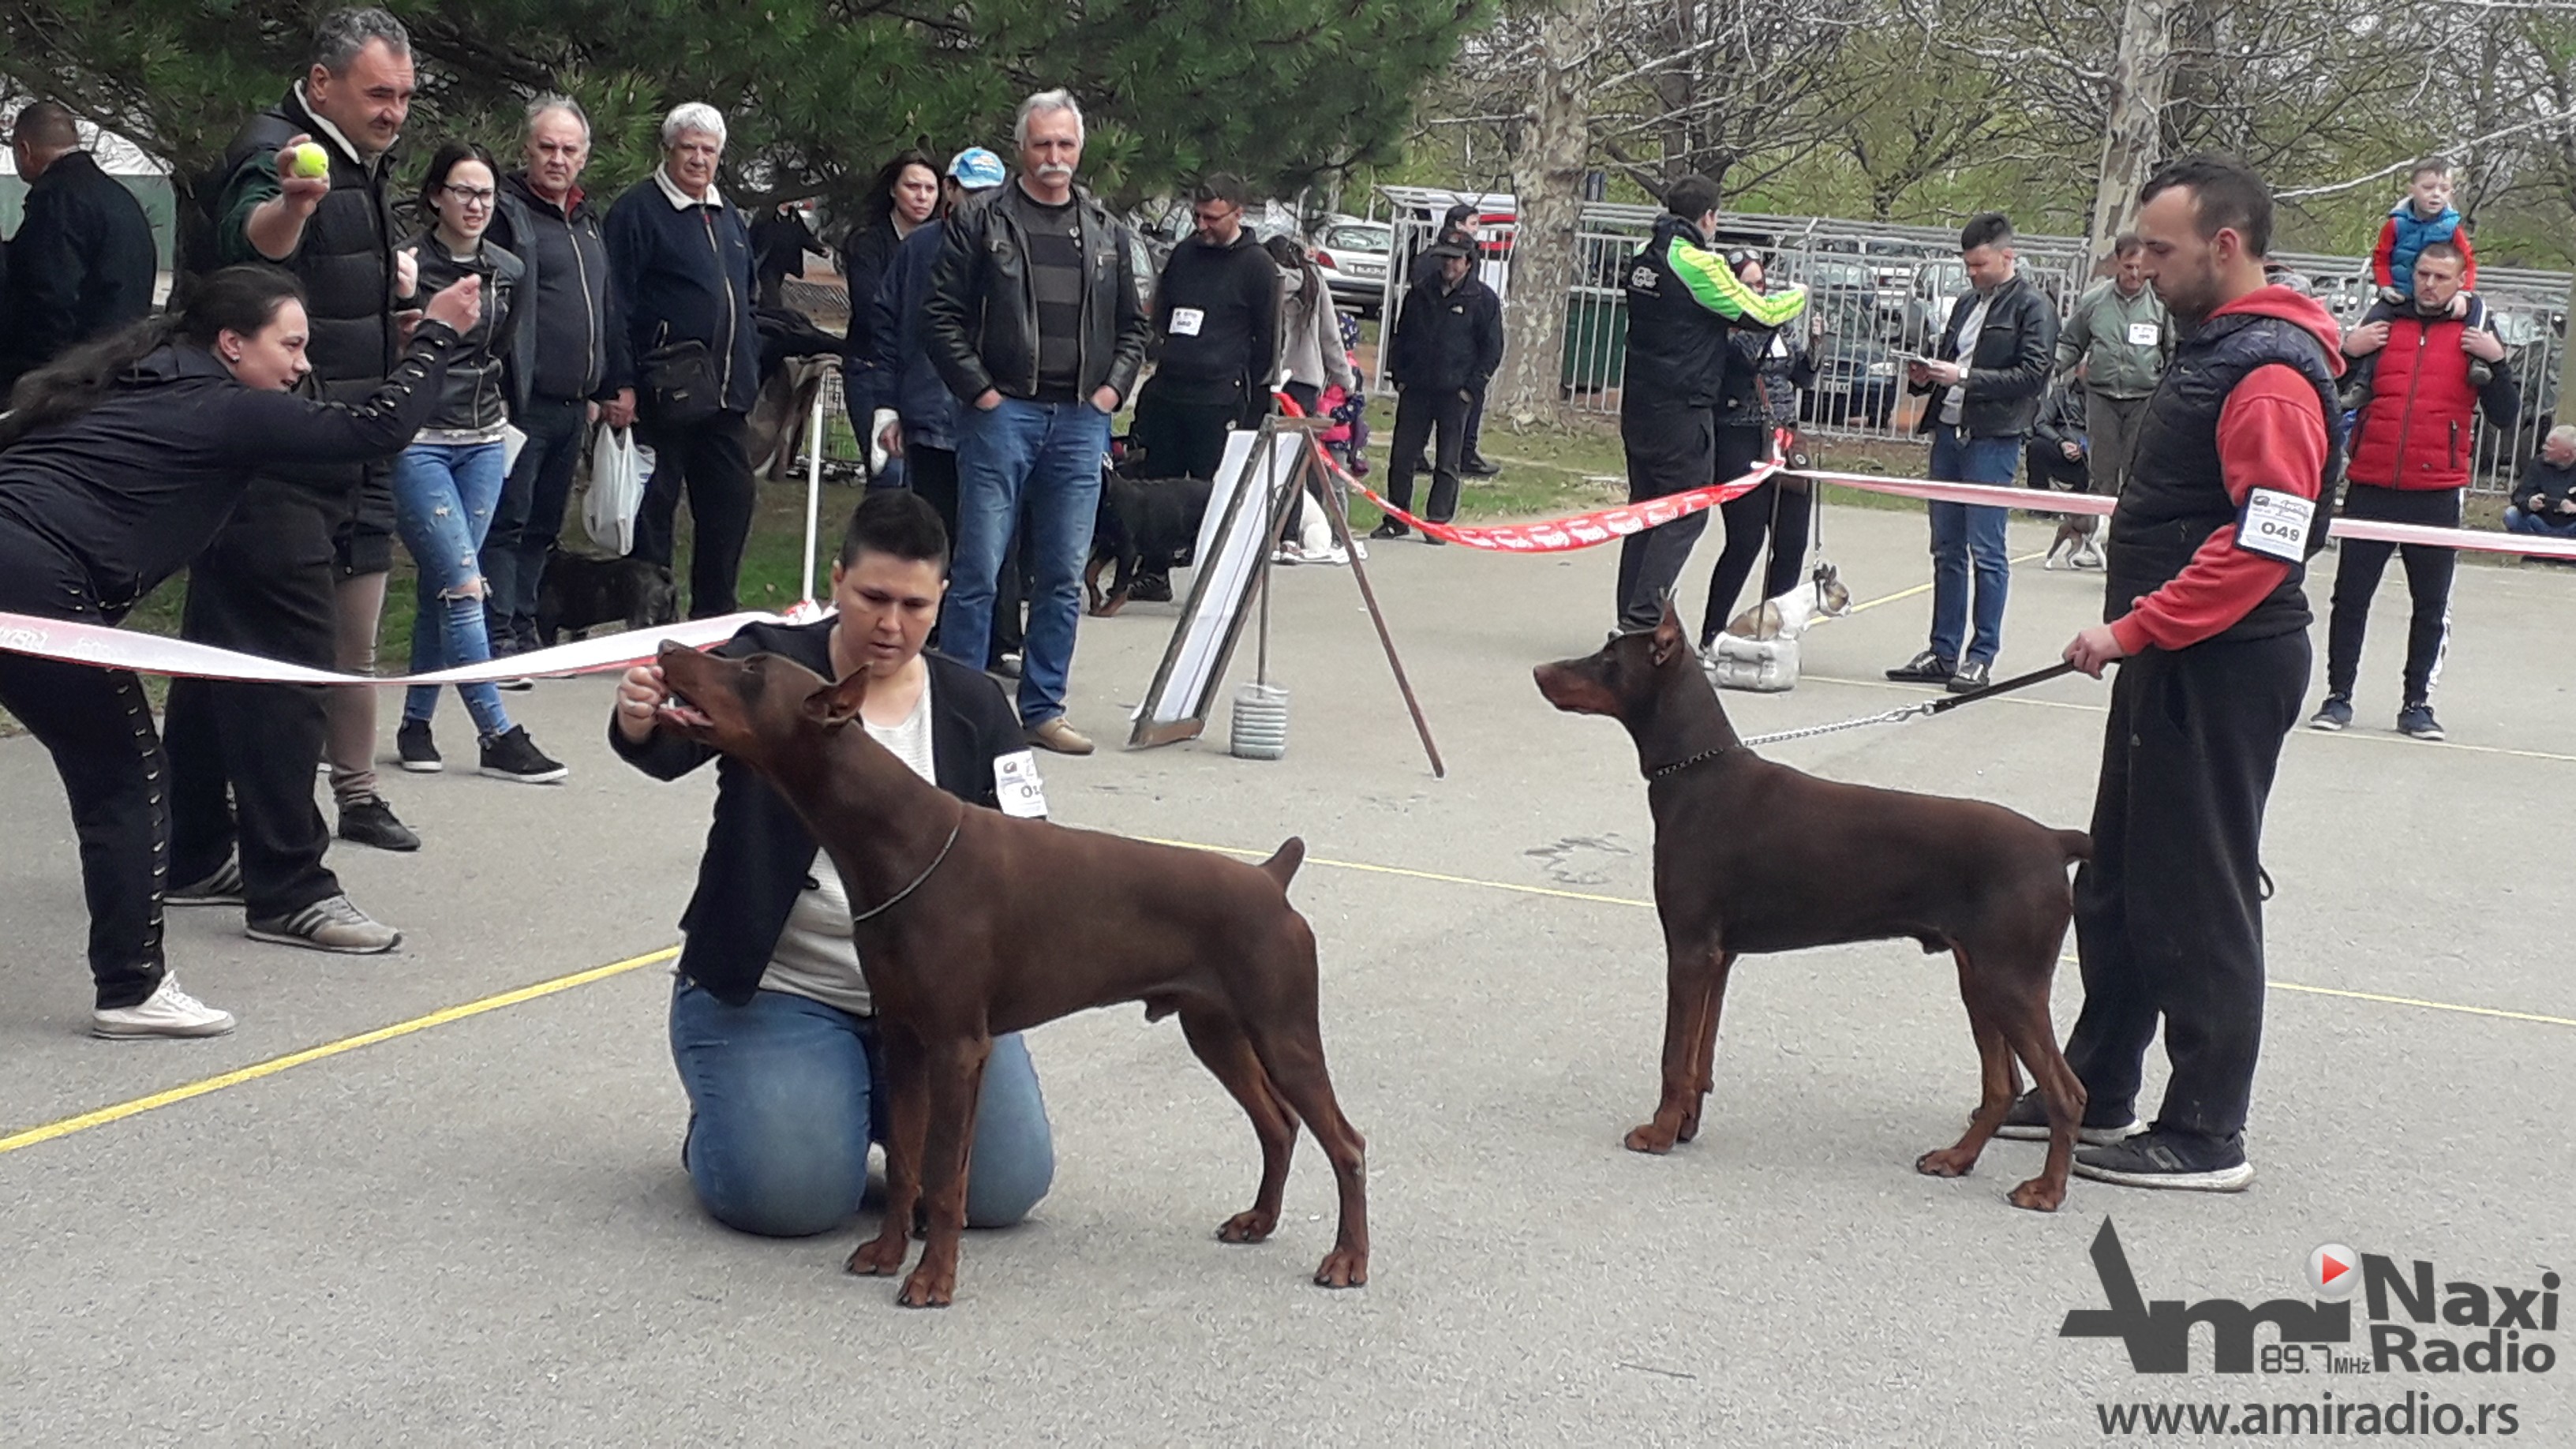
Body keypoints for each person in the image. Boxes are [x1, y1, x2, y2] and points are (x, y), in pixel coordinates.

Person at [0, 266, 476, 1037]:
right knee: (123, 780)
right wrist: (439, 337)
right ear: (231, 345)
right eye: (288, 346)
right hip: (39, 596)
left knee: (118, 771)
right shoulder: (227, 410)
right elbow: (374, 432)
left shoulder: (110, 382)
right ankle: (132, 989)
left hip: (26, 583)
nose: (301, 365)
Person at [610, 490, 1056, 1237]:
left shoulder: (976, 705)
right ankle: (746, 1122)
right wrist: (637, 719)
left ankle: (858, 1110)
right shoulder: (773, 667)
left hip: (933, 1004)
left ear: (943, 597)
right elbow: (669, 742)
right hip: (779, 989)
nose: (891, 624)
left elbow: (1031, 856)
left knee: (1004, 1194)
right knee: (791, 1199)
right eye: (873, 597)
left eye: (915, 605)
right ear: (836, 578)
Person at [2049, 153, 2345, 1192]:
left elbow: (2267, 541)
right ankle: (2090, 1087)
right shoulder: (2213, 349)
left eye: (2161, 249)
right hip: (2175, 657)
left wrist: (2138, 629)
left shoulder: (2267, 372)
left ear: (2226, 246)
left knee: (2199, 890)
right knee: (2121, 879)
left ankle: (2207, 1130)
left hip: (2224, 665)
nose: (2143, 264)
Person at [169, 7, 419, 935]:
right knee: (290, 670)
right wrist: (295, 205)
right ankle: (291, 889)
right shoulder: (277, 156)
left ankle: (193, 853)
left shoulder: (359, 160)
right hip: (268, 447)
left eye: (403, 96)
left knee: (211, 662)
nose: (394, 112)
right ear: (322, 84)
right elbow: (253, 240)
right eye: (377, 93)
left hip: (321, 440)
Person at [923, 88, 1151, 756]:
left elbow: (1135, 327)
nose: (1054, 157)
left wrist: (1112, 391)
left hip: (1081, 419)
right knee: (980, 567)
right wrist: (981, 394)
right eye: (1042, 144)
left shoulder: (1107, 230)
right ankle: (960, 709)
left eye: (1066, 145)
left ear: (1081, 150)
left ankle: (1043, 708)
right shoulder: (981, 222)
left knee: (1060, 573)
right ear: (1021, 147)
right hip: (1002, 415)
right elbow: (939, 316)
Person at [386, 142, 567, 784]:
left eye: (486, 194)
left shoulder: (509, 270)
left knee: (449, 582)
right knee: (466, 585)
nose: (475, 205)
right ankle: (498, 733)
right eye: (462, 191)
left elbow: (507, 350)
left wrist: (512, 424)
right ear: (436, 195)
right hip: (421, 440)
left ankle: (415, 722)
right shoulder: (405, 263)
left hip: (486, 438)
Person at [2312, 240, 2514, 743]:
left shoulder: (2475, 335)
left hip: (2436, 491)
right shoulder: (2383, 326)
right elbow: (2327, 395)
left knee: (2430, 605)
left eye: (2441, 277)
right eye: (2423, 274)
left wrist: (2501, 361)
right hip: (2372, 483)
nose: (2429, 284)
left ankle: (2417, 704)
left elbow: (2507, 416)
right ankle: (2338, 697)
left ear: (2461, 281)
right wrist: (2346, 351)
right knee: (2350, 599)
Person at [1607, 178, 1805, 628]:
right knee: (1684, 514)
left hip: (1640, 403)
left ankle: (1629, 619)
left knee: (1646, 511)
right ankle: (1642, 620)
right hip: (1684, 407)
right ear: (1710, 216)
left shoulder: (1643, 256)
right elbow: (1762, 314)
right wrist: (1799, 296)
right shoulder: (1699, 263)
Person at [857, 148, 1025, 670]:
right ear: (951, 189)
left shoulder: (1017, 246)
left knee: (1001, 532)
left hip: (1000, 416)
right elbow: (885, 330)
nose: (978, 201)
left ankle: (1003, 639)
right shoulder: (920, 249)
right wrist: (888, 405)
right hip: (931, 416)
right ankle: (940, 638)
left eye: (989, 192)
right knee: (939, 532)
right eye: (969, 190)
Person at [482, 95, 635, 665]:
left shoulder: (588, 221)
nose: (557, 158)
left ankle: (525, 622)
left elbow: (606, 306)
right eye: (547, 147)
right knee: (509, 519)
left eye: (569, 149)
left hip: (577, 405)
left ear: (584, 156)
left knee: (545, 524)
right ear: (527, 149)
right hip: (522, 400)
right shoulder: (509, 214)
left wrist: (612, 383)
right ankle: (497, 629)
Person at [1889, 212, 2057, 694]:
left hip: (1993, 436)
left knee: (1986, 549)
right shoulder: (1966, 303)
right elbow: (1952, 357)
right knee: (1946, 548)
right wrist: (1926, 378)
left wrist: (1964, 378)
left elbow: (2032, 375)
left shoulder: (2034, 306)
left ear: (2008, 256)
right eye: (1967, 266)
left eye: (1980, 264)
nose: (1973, 274)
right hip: (1949, 430)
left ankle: (1981, 654)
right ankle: (1942, 650)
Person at [605, 102, 761, 619]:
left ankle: (713, 625)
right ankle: (650, 621)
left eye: (709, 151)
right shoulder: (637, 211)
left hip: (724, 398)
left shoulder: (729, 215)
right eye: (689, 148)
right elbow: (617, 303)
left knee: (729, 511)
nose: (698, 160)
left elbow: (747, 298)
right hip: (661, 395)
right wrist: (621, 382)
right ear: (669, 150)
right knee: (653, 514)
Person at [1699, 251, 1822, 646]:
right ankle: (1713, 632)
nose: (1758, 293)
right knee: (1746, 539)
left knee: (1790, 543)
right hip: (1741, 434)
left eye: (1762, 286)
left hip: (1786, 435)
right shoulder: (1728, 326)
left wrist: (1815, 346)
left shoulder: (1780, 325)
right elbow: (1746, 360)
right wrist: (1768, 315)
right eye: (1749, 286)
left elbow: (1800, 375)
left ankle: (1773, 631)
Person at [1131, 173, 1282, 485]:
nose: (1202, 226)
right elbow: (1161, 312)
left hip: (1219, 400)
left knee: (1212, 491)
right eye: (1196, 216)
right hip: (1170, 393)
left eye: (1212, 218)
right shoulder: (1184, 254)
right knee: (1158, 490)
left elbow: (1268, 342)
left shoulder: (1258, 266)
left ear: (1238, 213)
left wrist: (1238, 383)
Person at [1, 101, 158, 391]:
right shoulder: (119, 197)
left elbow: (48, 296)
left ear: (24, 150)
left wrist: (34, 380)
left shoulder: (56, 200)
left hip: (71, 376)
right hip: (120, 362)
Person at [1369, 242, 1502, 546]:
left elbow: (1492, 348)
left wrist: (1471, 388)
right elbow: (1401, 336)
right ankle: (1397, 519)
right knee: (1402, 457)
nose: (1449, 265)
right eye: (1445, 259)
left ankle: (1437, 522)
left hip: (1455, 393)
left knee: (1448, 460)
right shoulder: (1420, 292)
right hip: (1416, 388)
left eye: (1456, 260)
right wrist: (1399, 376)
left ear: (1469, 263)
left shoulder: (1482, 299)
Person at [2052, 234, 2171, 567]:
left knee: (2137, 473)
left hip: (2144, 397)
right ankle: (2095, 543)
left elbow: (2173, 351)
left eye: (2140, 267)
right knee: (2102, 473)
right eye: (2129, 266)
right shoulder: (2094, 301)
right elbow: (2071, 343)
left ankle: (2133, 546)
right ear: (2117, 263)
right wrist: (2050, 367)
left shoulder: (2162, 304)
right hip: (2102, 396)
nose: (2135, 274)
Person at [838, 148, 942, 488]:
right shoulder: (867, 242)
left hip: (927, 373)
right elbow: (871, 310)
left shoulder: (946, 244)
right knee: (889, 472)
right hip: (871, 368)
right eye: (913, 187)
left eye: (930, 188)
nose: (922, 196)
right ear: (893, 190)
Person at [1265, 233, 1355, 560]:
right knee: (1294, 464)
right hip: (1303, 381)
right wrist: (1346, 380)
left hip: (1266, 378)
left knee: (1260, 460)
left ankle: (1260, 532)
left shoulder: (1265, 280)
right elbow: (1331, 336)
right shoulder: (1312, 283)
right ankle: (1288, 538)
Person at [2372, 156, 2474, 311]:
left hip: (2440, 302)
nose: (2436, 194)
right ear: (2412, 190)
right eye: (2428, 187)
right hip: (2398, 297)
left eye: (2444, 189)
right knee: (2371, 326)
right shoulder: (2396, 224)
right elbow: (2381, 258)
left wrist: (2463, 292)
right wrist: (2385, 286)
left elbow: (2468, 262)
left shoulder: (2452, 227)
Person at [2024, 379, 2091, 569]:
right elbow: (2042, 423)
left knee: (2099, 459)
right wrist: (2060, 442)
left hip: (2090, 451)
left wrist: (2084, 448)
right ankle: (2039, 505)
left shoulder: (2105, 397)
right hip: (2060, 443)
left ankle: (2079, 514)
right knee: (2036, 446)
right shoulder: (2061, 392)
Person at [2506, 425, 2576, 544]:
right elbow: (2519, 496)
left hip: (2572, 526)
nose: (2544, 448)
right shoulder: (2538, 464)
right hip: (2540, 523)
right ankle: (2536, 550)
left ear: (2567, 453)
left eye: (2551, 446)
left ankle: (2569, 554)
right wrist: (2529, 503)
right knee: (2511, 515)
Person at [748, 202, 826, 311]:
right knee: (772, 297)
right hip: (766, 263)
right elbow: (752, 237)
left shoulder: (793, 216)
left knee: (768, 296)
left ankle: (762, 317)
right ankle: (774, 318)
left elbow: (803, 236)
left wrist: (819, 250)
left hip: (783, 263)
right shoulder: (765, 215)